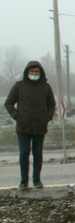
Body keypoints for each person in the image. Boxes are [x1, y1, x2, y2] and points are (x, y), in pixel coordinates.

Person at [4, 61, 56, 189]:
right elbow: (8, 103)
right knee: (24, 153)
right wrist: (17, 116)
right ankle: (23, 181)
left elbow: (52, 104)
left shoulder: (46, 87)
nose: (34, 73)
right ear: (27, 72)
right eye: (32, 71)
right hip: (23, 127)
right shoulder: (19, 86)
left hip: (40, 127)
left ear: (40, 73)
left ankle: (37, 180)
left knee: (37, 153)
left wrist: (47, 117)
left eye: (36, 72)